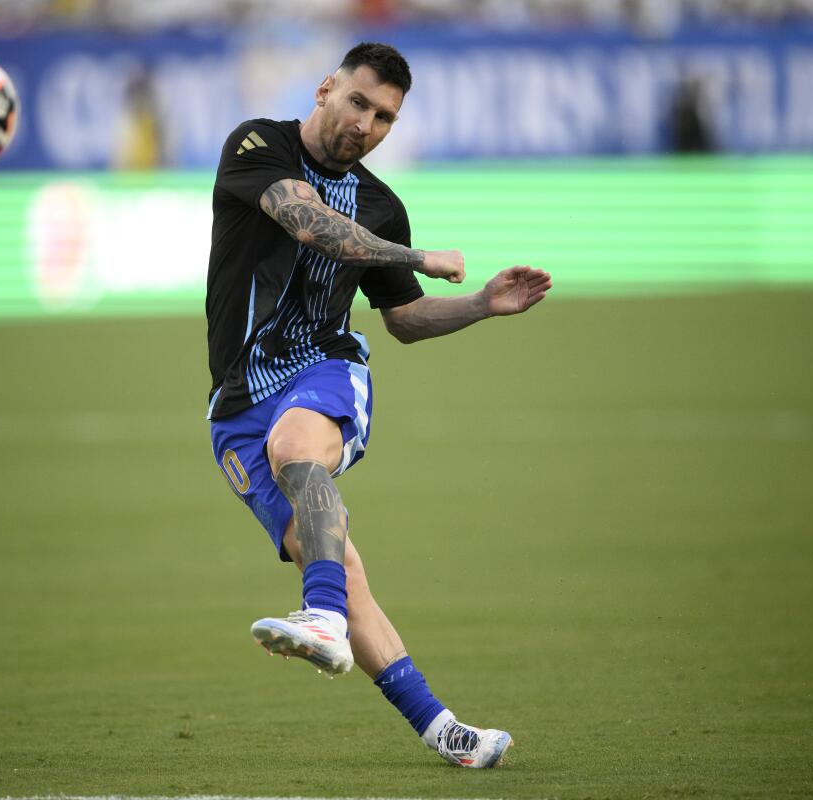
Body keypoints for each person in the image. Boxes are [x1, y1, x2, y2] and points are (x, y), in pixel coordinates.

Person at [205, 42, 551, 769]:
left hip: (324, 370)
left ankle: (321, 617)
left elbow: (405, 320)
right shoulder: (256, 145)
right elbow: (308, 224)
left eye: (385, 117)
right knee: (340, 567)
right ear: (327, 87)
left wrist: (481, 305)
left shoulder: (381, 204)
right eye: (359, 102)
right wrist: (415, 257)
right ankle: (446, 730)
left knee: (297, 446)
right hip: (238, 406)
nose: (366, 123)